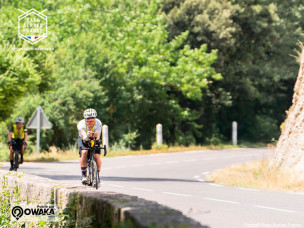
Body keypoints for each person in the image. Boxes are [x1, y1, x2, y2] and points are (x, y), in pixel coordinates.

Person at [77, 108, 102, 185]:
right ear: (85, 120)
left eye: (92, 120)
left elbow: (98, 137)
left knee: (97, 156)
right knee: (84, 152)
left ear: (95, 119)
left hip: (94, 139)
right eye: (88, 121)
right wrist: (87, 135)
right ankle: (84, 175)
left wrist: (95, 135)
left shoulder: (98, 123)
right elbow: (84, 137)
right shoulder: (81, 124)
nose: (90, 122)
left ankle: (97, 175)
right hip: (83, 138)